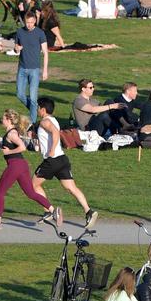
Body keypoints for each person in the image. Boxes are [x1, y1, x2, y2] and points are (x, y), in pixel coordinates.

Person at [0, 110, 56, 230]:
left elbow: (22, 147)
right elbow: (10, 147)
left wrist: (8, 151)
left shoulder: (11, 134)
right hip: (21, 165)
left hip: (15, 165)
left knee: (0, 191)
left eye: (3, 118)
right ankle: (53, 210)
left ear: (8, 120)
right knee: (30, 193)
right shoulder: (11, 133)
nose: (1, 120)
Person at [33, 97, 98, 227]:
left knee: (33, 185)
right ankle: (88, 211)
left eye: (38, 108)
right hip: (62, 159)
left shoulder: (44, 122)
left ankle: (49, 211)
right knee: (71, 187)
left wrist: (51, 150)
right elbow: (53, 134)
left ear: (43, 109)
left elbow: (56, 133)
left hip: (52, 161)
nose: (37, 110)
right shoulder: (53, 120)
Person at [15, 11, 48, 124]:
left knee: (33, 99)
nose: (29, 24)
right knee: (19, 94)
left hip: (34, 70)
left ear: (35, 22)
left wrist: (45, 70)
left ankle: (33, 123)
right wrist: (17, 49)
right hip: (22, 68)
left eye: (31, 22)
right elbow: (16, 46)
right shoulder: (20, 32)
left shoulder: (40, 33)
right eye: (27, 22)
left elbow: (45, 52)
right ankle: (35, 110)